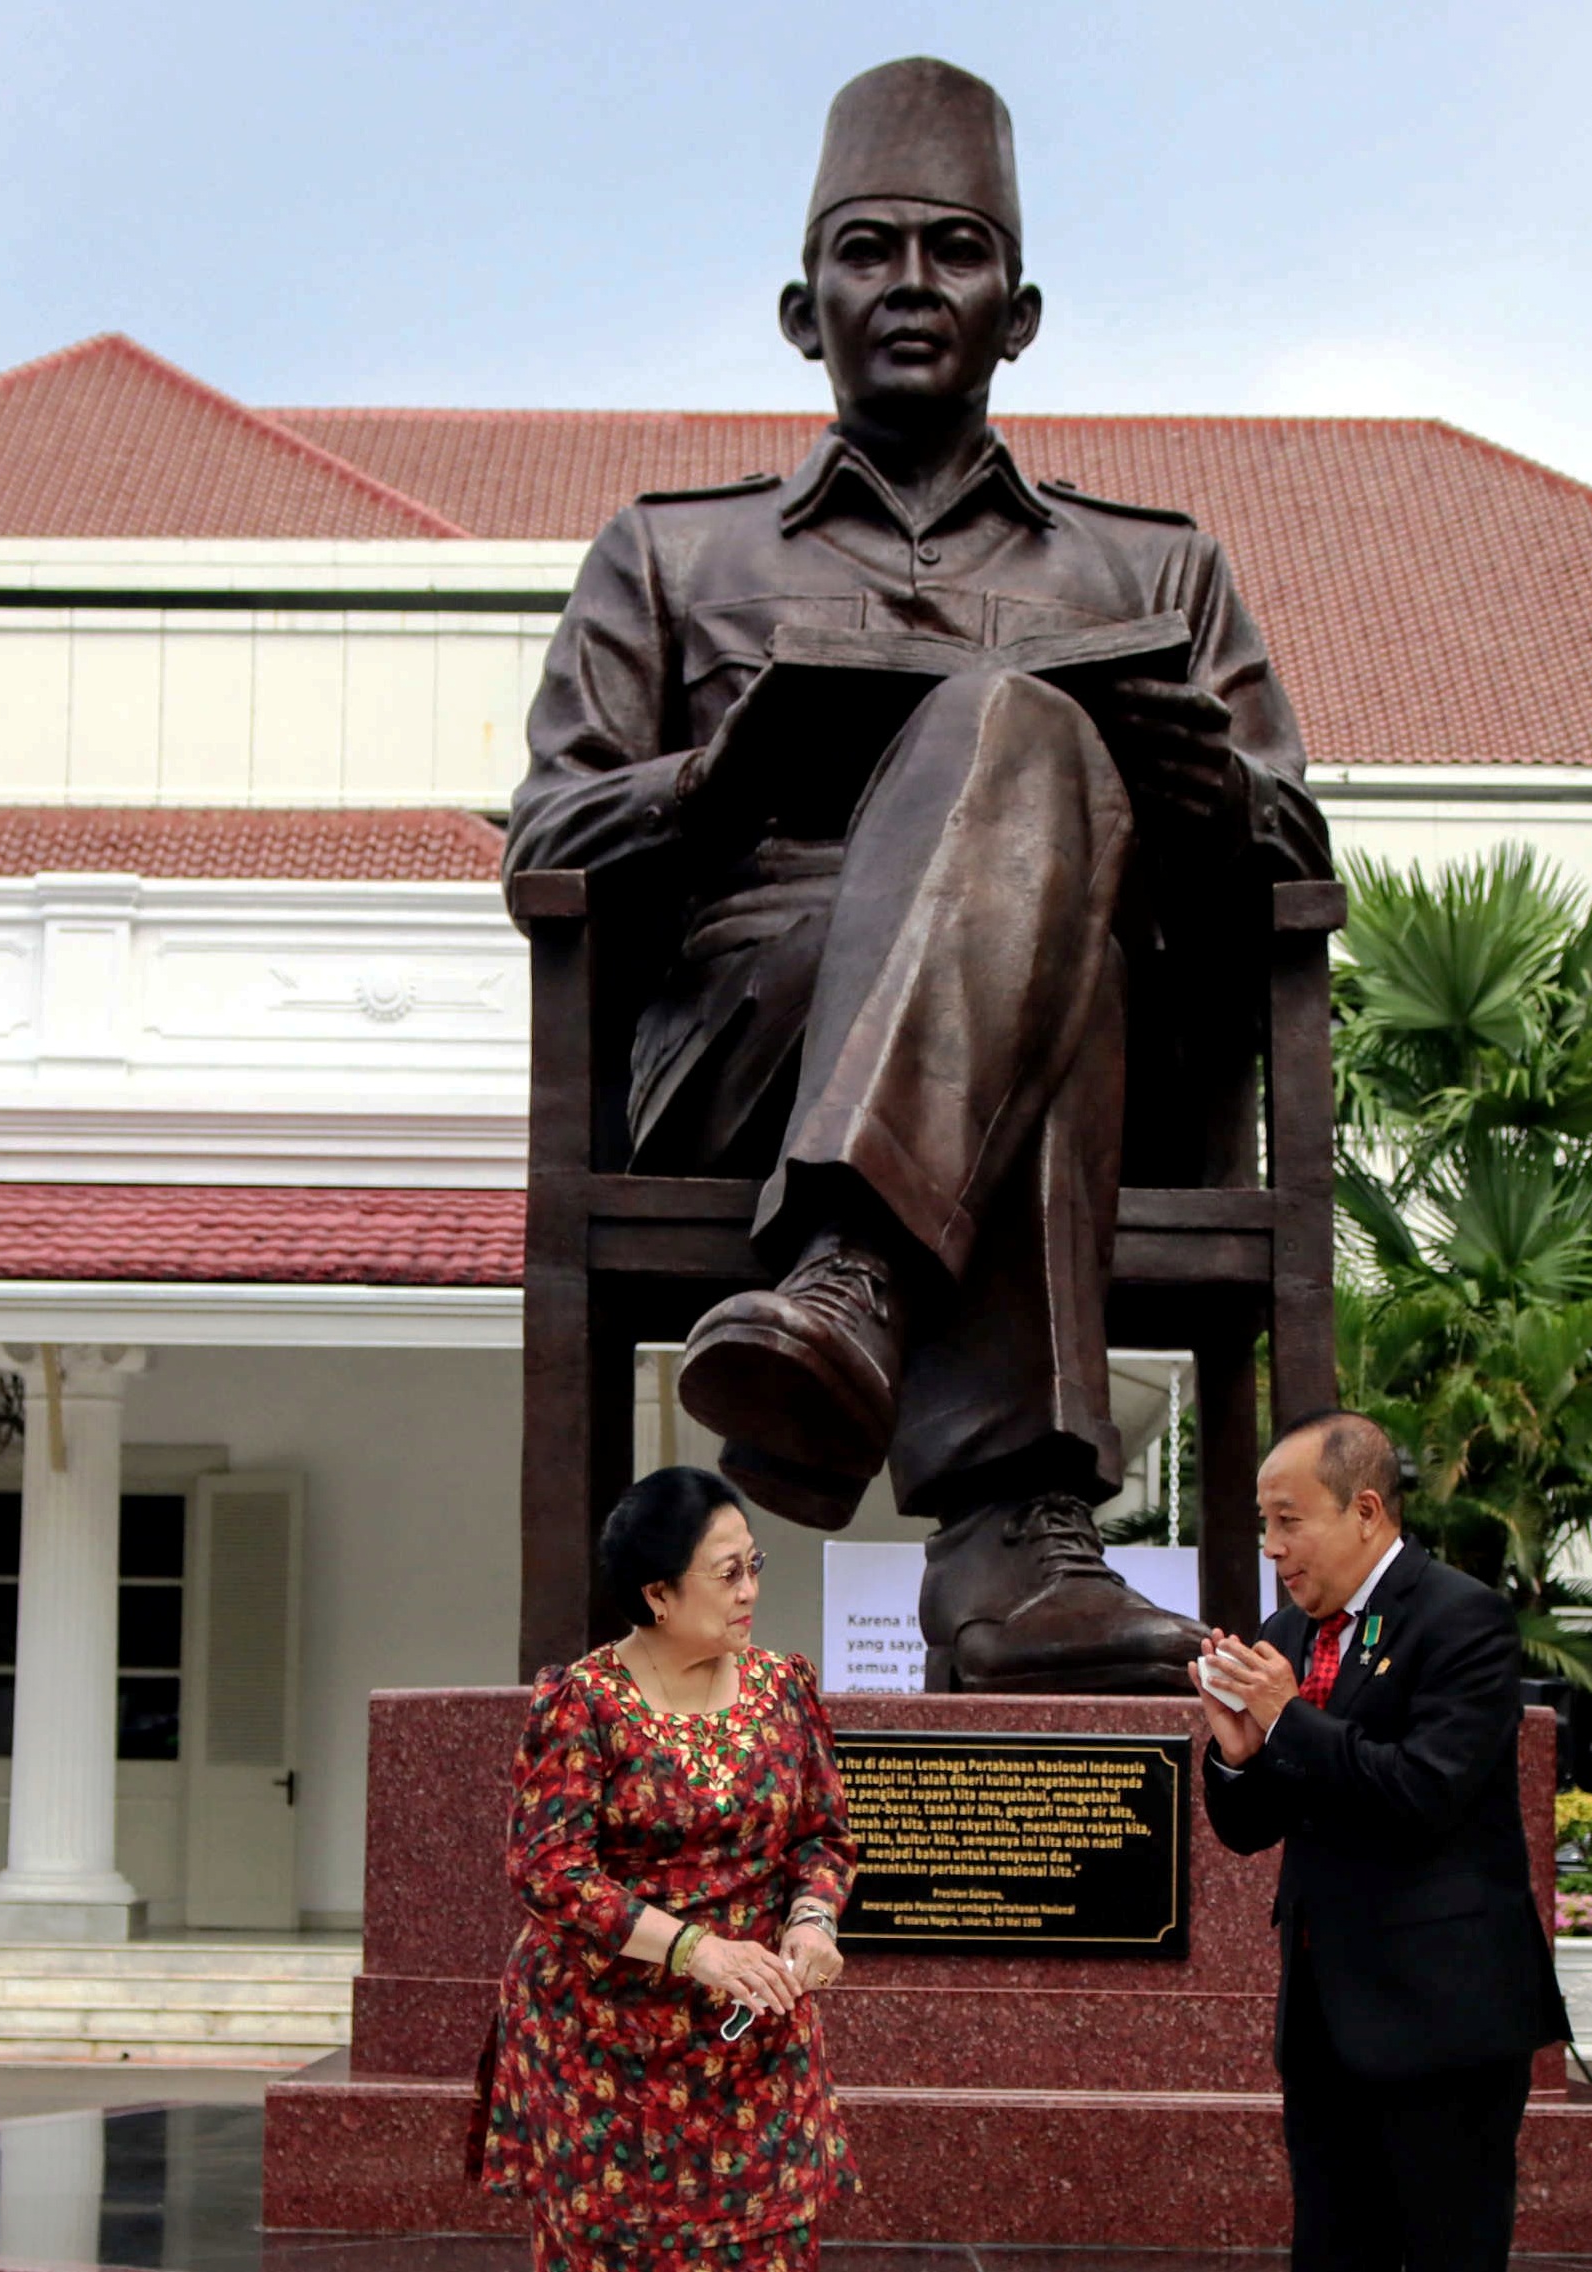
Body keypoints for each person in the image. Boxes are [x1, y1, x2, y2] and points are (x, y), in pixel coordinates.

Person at [505, 55, 1332, 1692]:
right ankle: (1014, 1549)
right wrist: (716, 772)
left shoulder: (1150, 562)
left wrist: (1195, 792)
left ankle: (852, 1278)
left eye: (949, 250)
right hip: (754, 1031)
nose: (905, 284)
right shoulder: (670, 555)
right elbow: (547, 837)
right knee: (1044, 924)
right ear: (799, 309)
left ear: (1016, 312)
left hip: (1095, 1046)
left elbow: (1297, 853)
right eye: (865, 250)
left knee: (1031, 790)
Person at [1197, 1410, 1569, 2272]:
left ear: (1365, 1511)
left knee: (1446, 2252)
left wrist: (1289, 1718)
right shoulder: (1286, 1635)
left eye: (1290, 1522)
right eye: (1264, 1524)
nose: (1272, 1547)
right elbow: (1250, 1829)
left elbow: (1422, 1792)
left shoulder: (1461, 1619)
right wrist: (1239, 1754)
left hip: (1445, 2022)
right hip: (1327, 2024)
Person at [479, 1467, 857, 2272]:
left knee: (771, 2245)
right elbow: (551, 1872)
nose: (749, 1589)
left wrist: (813, 1920)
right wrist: (698, 1951)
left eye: (756, 1565)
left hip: (756, 2040)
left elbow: (821, 1836)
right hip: (606, 2055)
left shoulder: (784, 1689)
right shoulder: (584, 1704)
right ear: (658, 1594)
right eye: (727, 1574)